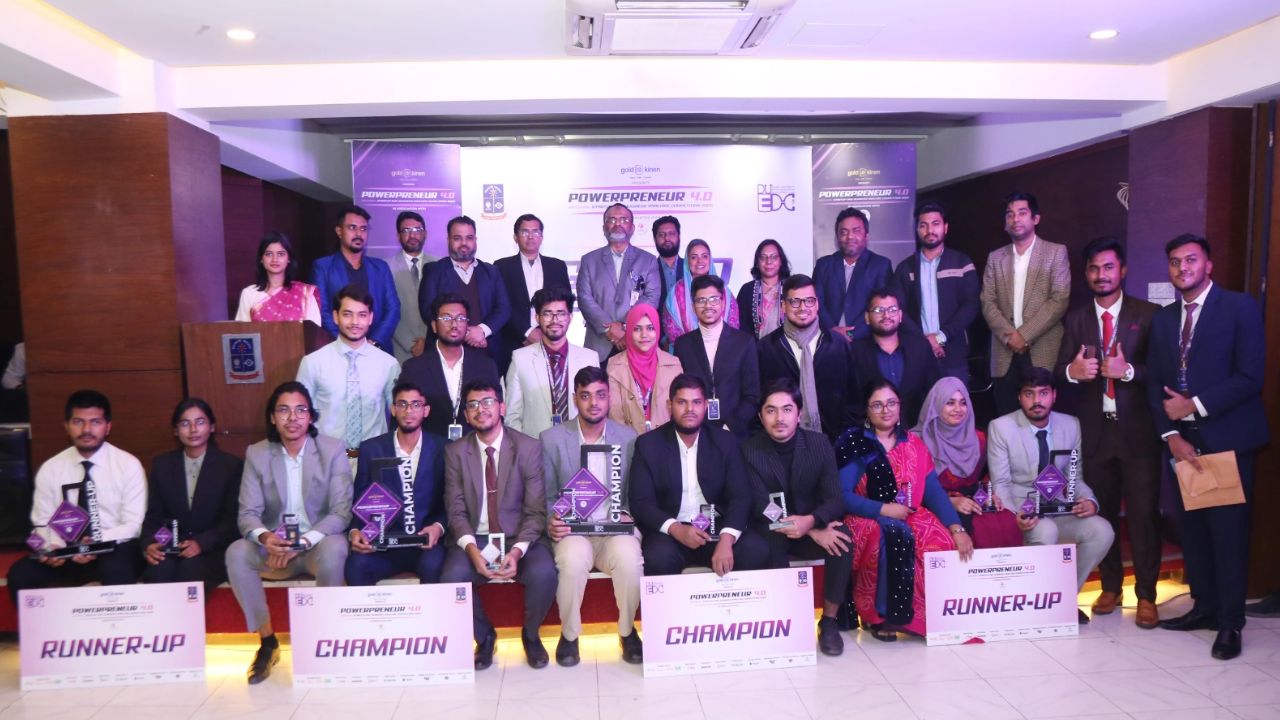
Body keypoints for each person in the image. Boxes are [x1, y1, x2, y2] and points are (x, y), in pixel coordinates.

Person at [1147, 234, 1267, 660]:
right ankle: (1205, 608)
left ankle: (1231, 623)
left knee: (1228, 534)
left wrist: (1193, 405)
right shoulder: (1164, 319)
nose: (1182, 268)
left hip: (1226, 440)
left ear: (1208, 265)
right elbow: (1153, 384)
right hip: (1183, 444)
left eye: (1191, 260)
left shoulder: (1238, 307)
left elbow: (1250, 376)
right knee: (1194, 532)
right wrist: (1172, 436)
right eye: (1174, 261)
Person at [1054, 236, 1162, 628]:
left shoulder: (1149, 315)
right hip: (1095, 433)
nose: (1102, 275)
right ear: (1086, 274)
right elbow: (1059, 372)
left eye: (1109, 267)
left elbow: (1161, 373)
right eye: (1094, 268)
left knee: (1144, 516)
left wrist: (1127, 371)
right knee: (1103, 512)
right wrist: (1072, 372)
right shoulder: (1076, 319)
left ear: (1123, 270)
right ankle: (1111, 586)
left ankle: (1146, 595)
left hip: (1138, 433)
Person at [225, 381, 353, 684]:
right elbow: (247, 514)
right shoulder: (257, 453)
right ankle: (267, 641)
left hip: (316, 546)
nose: (292, 418)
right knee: (237, 552)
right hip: (275, 551)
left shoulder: (332, 449)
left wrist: (303, 542)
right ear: (272, 417)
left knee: (336, 547)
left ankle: (325, 638)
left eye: (300, 410)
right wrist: (267, 538)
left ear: (311, 416)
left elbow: (341, 512)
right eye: (283, 410)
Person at [836, 380, 971, 641]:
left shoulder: (913, 443)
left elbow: (933, 491)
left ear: (899, 407)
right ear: (867, 410)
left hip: (909, 514)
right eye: (877, 405)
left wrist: (957, 528)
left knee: (938, 540)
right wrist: (883, 509)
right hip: (865, 516)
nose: (885, 410)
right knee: (891, 536)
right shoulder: (855, 442)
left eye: (891, 403)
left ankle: (934, 615)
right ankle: (883, 616)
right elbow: (842, 496)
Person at [440, 380, 557, 671]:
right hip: (476, 537)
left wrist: (516, 552)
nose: (481, 409)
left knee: (544, 572)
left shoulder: (528, 448)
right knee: (452, 578)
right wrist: (471, 550)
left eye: (488, 402)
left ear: (502, 407)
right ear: (466, 415)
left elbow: (536, 512)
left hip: (519, 537)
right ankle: (485, 637)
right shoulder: (455, 452)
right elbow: (455, 510)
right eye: (473, 404)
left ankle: (531, 635)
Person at [987, 367, 1113, 622]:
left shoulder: (1070, 425)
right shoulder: (1001, 427)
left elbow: (1074, 477)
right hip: (1023, 509)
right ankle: (1036, 604)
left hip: (1058, 506)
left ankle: (1062, 600)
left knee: (1102, 531)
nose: (1037, 401)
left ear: (1054, 395)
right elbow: (1000, 483)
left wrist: (1089, 501)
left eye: (1043, 393)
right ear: (1019, 397)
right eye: (1029, 394)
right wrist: (1014, 515)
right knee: (1046, 531)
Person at [540, 366, 643, 666]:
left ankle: (627, 633)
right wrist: (553, 520)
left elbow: (635, 492)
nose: (594, 403)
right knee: (572, 562)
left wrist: (628, 514)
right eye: (585, 396)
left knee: (629, 560)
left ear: (610, 398)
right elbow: (546, 495)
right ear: (575, 399)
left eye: (600, 395)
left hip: (615, 529)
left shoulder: (628, 438)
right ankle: (569, 635)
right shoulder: (552, 439)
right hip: (574, 530)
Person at [742, 378, 852, 656]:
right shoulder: (749, 450)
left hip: (809, 524)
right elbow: (760, 505)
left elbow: (835, 499)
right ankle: (782, 620)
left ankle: (829, 622)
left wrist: (812, 521)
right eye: (771, 410)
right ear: (761, 416)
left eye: (787, 409)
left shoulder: (819, 444)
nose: (779, 418)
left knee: (842, 539)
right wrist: (809, 528)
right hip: (770, 527)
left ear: (799, 413)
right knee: (769, 542)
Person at [7, 390, 146, 604]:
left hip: (114, 547)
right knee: (20, 574)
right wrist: (52, 546)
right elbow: (41, 523)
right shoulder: (51, 468)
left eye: (95, 422)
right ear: (66, 426)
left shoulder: (128, 465)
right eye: (78, 422)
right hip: (67, 551)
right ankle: (48, 627)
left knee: (116, 568)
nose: (86, 429)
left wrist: (95, 543)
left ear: (108, 427)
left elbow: (134, 525)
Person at [628, 374, 771, 576]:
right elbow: (641, 503)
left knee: (755, 549)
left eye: (696, 402)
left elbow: (741, 496)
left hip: (716, 527)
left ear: (705, 406)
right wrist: (676, 529)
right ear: (670, 405)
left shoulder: (725, 441)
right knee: (658, 557)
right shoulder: (648, 444)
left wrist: (727, 539)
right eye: (682, 402)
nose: (689, 409)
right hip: (670, 530)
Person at [344, 381, 448, 586]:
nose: (409, 411)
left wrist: (439, 527)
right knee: (356, 566)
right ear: (393, 409)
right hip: (384, 543)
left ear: (426, 410)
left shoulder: (444, 448)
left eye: (416, 404)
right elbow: (359, 499)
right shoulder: (371, 449)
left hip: (426, 542)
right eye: (402, 404)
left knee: (434, 566)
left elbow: (450, 501)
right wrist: (355, 531)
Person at [141, 398, 243, 595]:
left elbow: (233, 520)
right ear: (175, 430)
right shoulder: (162, 465)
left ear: (212, 427)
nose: (193, 429)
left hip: (212, 549)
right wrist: (149, 544)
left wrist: (201, 543)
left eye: (200, 422)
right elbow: (154, 515)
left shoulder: (230, 466)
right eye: (185, 423)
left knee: (191, 572)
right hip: (172, 546)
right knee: (159, 570)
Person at [980, 192, 1070, 415]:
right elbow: (987, 301)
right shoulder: (995, 257)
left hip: (1042, 349)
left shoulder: (1055, 252)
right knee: (1006, 418)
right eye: (1010, 214)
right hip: (1005, 351)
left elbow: (1059, 299)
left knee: (1042, 418)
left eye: (1022, 213)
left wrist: (1025, 335)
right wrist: (1010, 337)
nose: (1015, 219)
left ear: (1035, 218)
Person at [914, 377, 1021, 548]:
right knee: (981, 528)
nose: (958, 409)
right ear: (936, 405)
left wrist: (989, 495)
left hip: (973, 503)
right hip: (935, 507)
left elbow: (986, 477)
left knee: (1006, 521)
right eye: (950, 403)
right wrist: (950, 502)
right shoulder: (917, 442)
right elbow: (913, 489)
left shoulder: (979, 439)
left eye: (963, 403)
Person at [296, 286, 400, 459]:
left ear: (371, 318)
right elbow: (300, 415)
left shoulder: (388, 364)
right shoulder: (313, 363)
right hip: (325, 459)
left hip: (373, 460)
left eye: (362, 315)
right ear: (335, 316)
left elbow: (400, 414)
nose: (354, 322)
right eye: (347, 314)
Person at [758, 274, 859, 441]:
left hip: (833, 442)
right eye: (794, 302)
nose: (802, 307)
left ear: (817, 304)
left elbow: (854, 399)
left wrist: (844, 438)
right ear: (783, 306)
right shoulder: (767, 348)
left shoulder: (837, 344)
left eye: (809, 301)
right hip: (781, 445)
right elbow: (759, 400)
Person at [889, 203, 980, 382]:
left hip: (954, 353)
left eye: (935, 224)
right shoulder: (904, 268)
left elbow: (971, 305)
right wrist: (924, 341)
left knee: (954, 399)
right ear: (917, 230)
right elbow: (897, 309)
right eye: (923, 225)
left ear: (945, 227)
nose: (930, 230)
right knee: (920, 400)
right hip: (916, 354)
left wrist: (941, 336)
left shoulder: (962, 262)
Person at [399, 293, 501, 441]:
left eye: (460, 319)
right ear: (434, 326)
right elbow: (403, 418)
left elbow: (496, 415)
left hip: (473, 447)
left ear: (467, 325)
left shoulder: (485, 366)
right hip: (430, 449)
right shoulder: (413, 368)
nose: (454, 325)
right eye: (446, 318)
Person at [505, 287, 599, 439]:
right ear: (537, 318)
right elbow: (512, 416)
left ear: (570, 317)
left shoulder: (589, 358)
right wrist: (525, 449)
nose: (555, 320)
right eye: (547, 314)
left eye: (561, 314)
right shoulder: (520, 358)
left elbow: (596, 411)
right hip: (535, 446)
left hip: (578, 444)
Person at [673, 275, 759, 439]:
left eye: (714, 299)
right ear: (693, 306)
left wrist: (729, 427)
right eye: (701, 300)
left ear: (723, 302)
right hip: (696, 433)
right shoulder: (682, 345)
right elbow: (680, 392)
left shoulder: (744, 342)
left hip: (735, 434)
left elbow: (752, 395)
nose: (708, 306)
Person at [418, 215, 512, 363]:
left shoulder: (491, 271)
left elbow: (504, 308)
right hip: (445, 355)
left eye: (469, 238)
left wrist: (482, 331)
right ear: (448, 240)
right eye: (457, 238)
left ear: (475, 240)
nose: (464, 243)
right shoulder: (434, 271)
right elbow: (428, 310)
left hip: (487, 353)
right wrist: (467, 334)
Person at [576, 203, 662, 363]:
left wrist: (625, 326)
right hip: (598, 343)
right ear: (604, 228)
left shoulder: (648, 260)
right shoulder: (589, 260)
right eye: (612, 220)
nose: (618, 224)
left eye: (623, 220)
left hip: (636, 341)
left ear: (632, 228)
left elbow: (652, 297)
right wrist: (609, 328)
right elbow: (584, 298)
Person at [311, 205, 400, 351]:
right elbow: (322, 311)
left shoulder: (380, 267)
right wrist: (348, 343)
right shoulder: (323, 267)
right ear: (339, 231)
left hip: (378, 349)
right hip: (339, 349)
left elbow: (393, 308)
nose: (359, 233)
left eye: (363, 229)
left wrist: (374, 342)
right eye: (352, 227)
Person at [849, 289, 940, 427]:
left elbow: (934, 391)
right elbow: (851, 401)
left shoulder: (920, 347)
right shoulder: (854, 352)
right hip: (872, 433)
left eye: (892, 310)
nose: (886, 315)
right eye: (878, 310)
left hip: (917, 430)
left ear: (900, 315)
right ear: (867, 317)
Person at [493, 213, 570, 376]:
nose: (530, 236)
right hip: (514, 342)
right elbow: (501, 306)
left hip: (551, 341)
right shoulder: (502, 267)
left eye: (535, 232)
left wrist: (547, 333)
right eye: (524, 232)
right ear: (515, 237)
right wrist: (527, 332)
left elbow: (566, 304)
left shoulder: (557, 266)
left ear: (542, 236)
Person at [812, 207, 892, 341]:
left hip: (865, 342)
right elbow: (816, 303)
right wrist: (833, 331)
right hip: (828, 340)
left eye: (856, 231)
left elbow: (881, 307)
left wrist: (850, 335)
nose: (850, 237)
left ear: (866, 235)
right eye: (844, 232)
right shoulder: (823, 265)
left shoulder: (880, 265)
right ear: (837, 236)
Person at [607, 304, 683, 434]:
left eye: (650, 328)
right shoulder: (614, 365)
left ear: (657, 330)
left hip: (666, 440)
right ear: (629, 331)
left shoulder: (673, 364)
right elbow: (615, 415)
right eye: (637, 329)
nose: (644, 335)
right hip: (629, 442)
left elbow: (679, 412)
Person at [661, 238, 740, 349]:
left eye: (704, 256)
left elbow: (733, 323)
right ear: (687, 261)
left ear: (710, 259)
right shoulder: (676, 292)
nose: (700, 261)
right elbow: (672, 328)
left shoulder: (723, 290)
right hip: (687, 352)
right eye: (694, 257)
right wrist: (693, 350)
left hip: (724, 350)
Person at [234, 232, 321, 324]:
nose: (275, 259)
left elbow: (313, 330)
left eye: (280, 254)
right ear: (261, 259)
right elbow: (242, 331)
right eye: (269, 254)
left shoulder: (305, 294)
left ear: (289, 258)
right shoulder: (249, 294)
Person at [388, 211, 436, 364]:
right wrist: (410, 343)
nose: (412, 235)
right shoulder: (386, 268)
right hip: (400, 351)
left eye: (417, 230)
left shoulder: (438, 265)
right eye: (406, 230)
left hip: (433, 348)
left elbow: (443, 308)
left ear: (425, 234)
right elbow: (386, 310)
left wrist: (428, 341)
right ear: (398, 236)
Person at [737, 239, 791, 339]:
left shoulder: (792, 288)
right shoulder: (746, 290)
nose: (768, 261)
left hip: (788, 347)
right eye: (763, 257)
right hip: (755, 347)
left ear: (781, 261)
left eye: (774, 257)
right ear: (757, 263)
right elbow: (742, 326)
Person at [652, 215, 685, 350]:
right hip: (654, 343)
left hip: (688, 341)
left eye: (671, 234)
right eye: (661, 235)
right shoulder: (647, 270)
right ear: (655, 239)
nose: (667, 238)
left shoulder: (691, 269)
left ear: (679, 236)